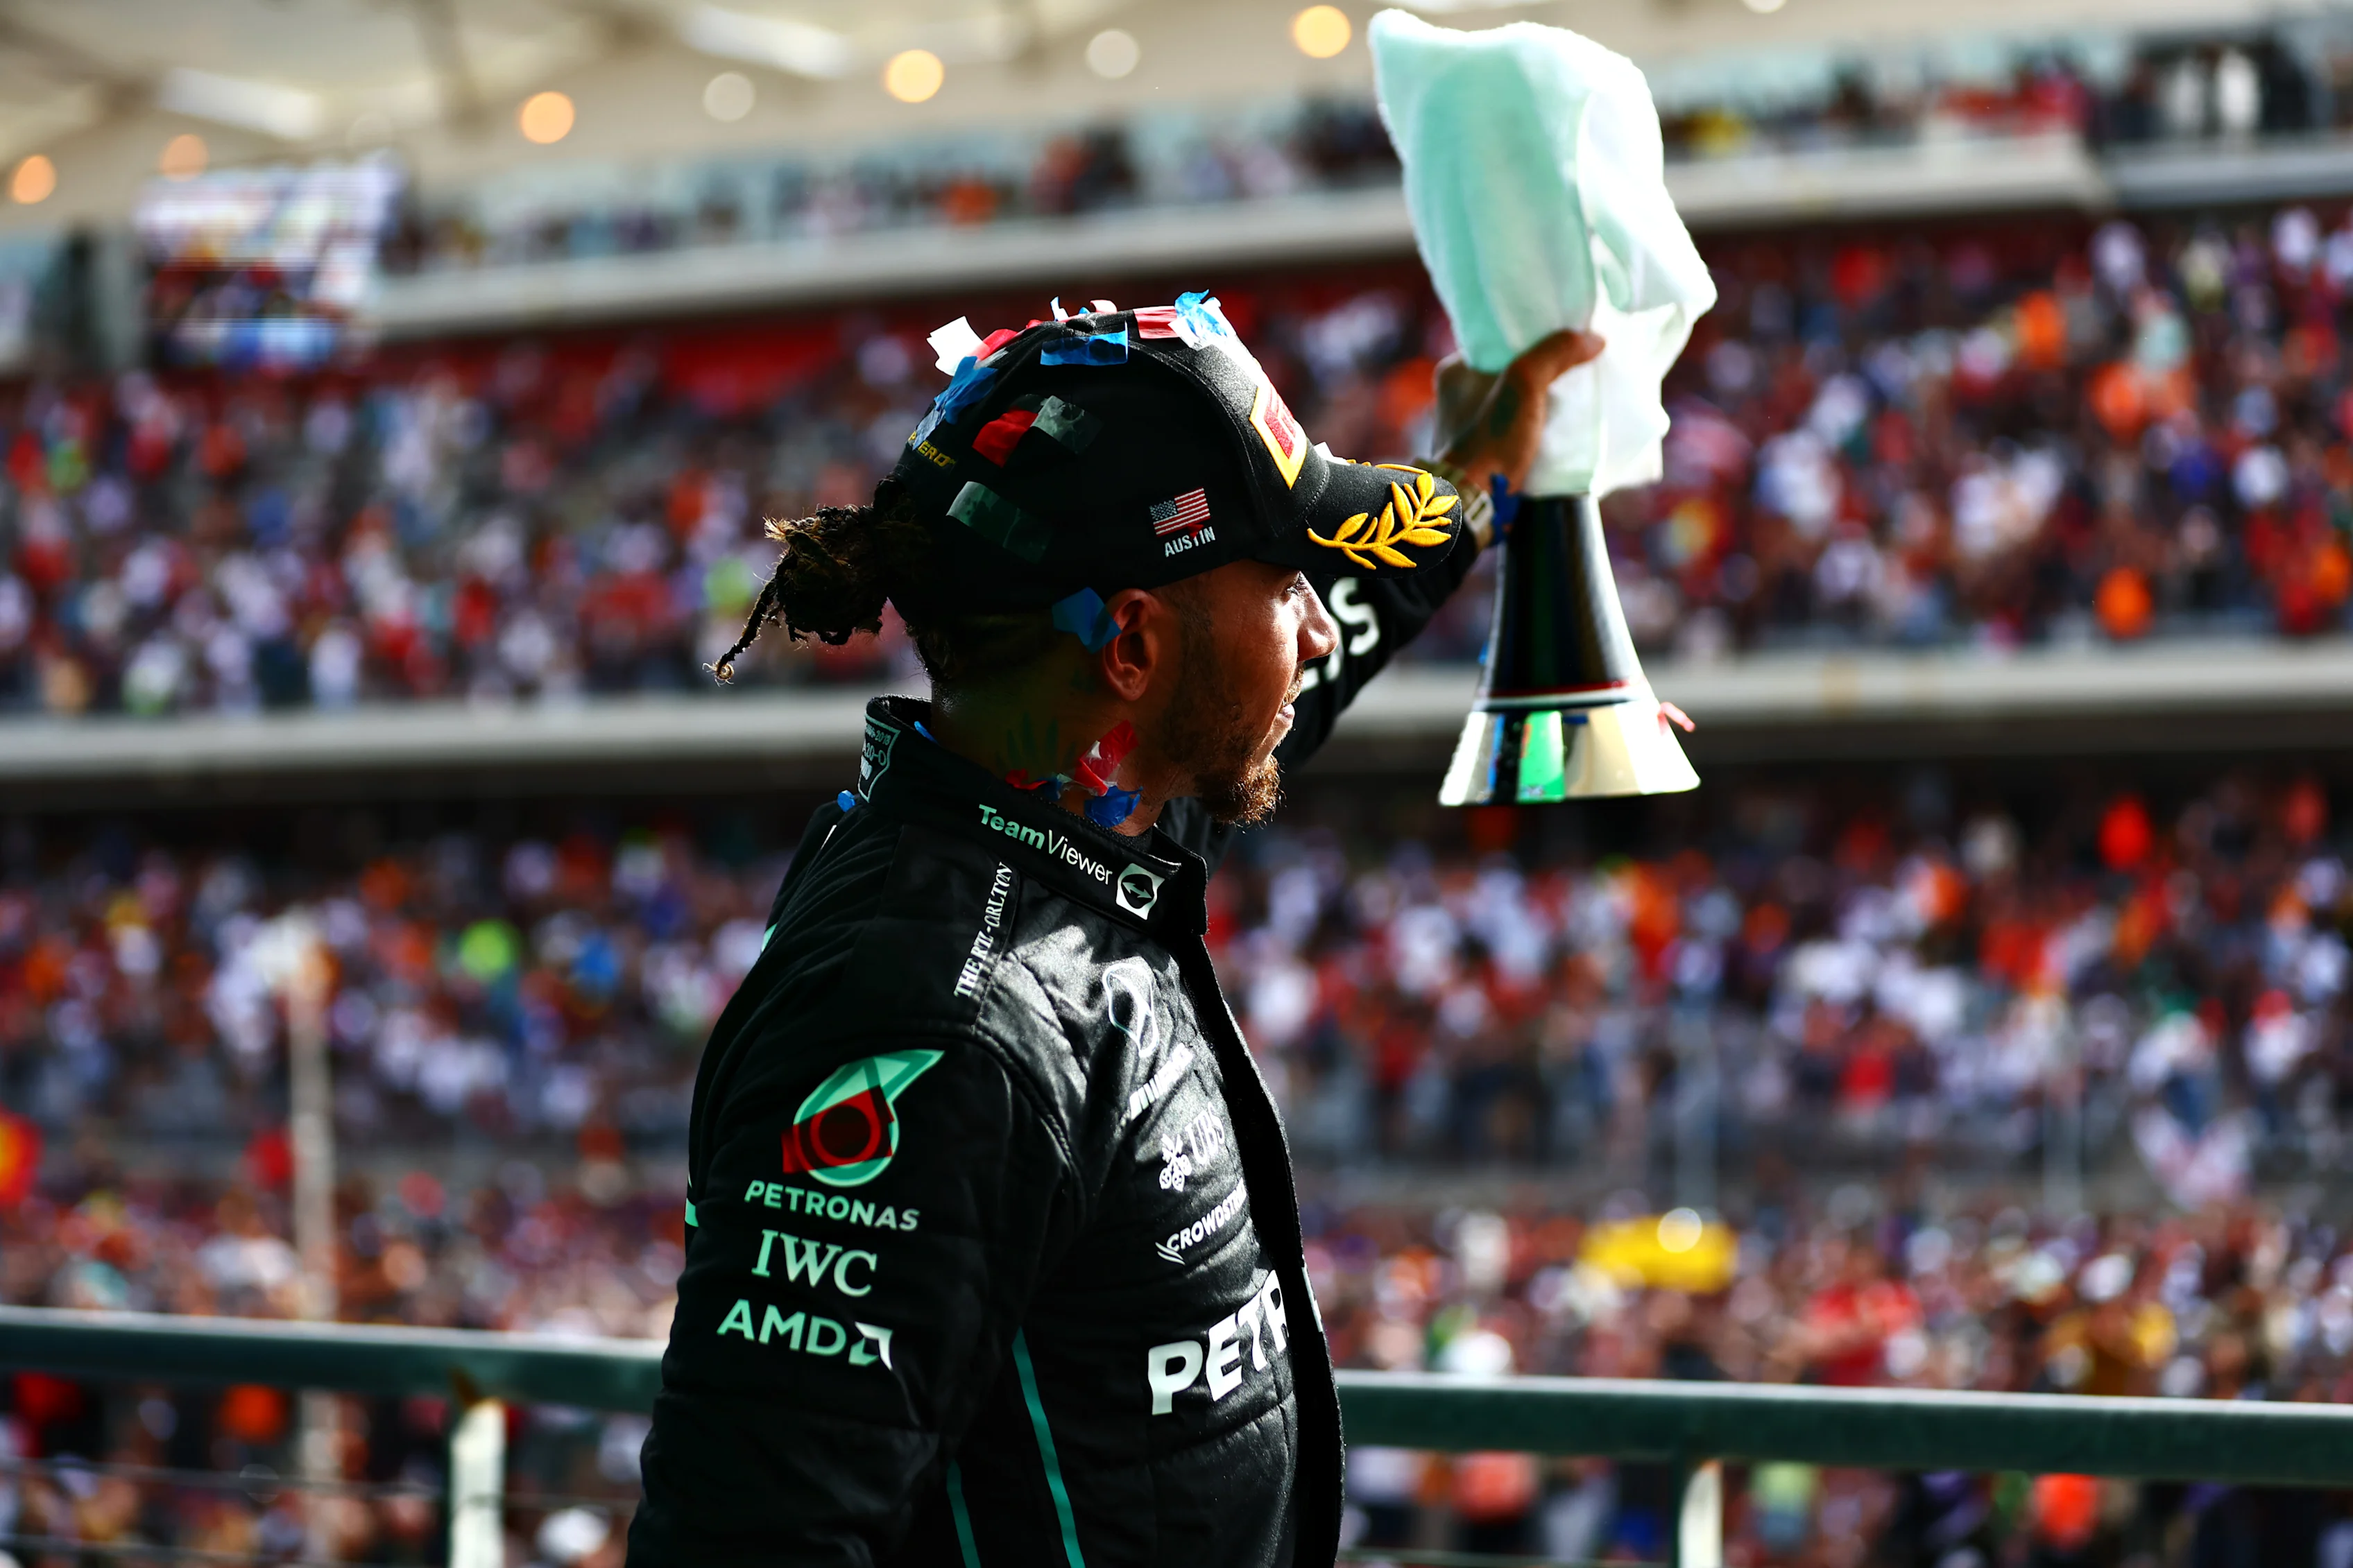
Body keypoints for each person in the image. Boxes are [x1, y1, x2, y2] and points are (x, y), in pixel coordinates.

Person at [625, 293, 1600, 1568]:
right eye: (1287, 578)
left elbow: (1337, 636)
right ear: (1133, 643)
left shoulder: (1087, 817)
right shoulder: (937, 1016)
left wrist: (1478, 473)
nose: (1316, 626)